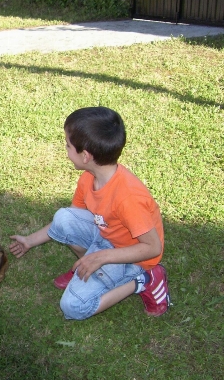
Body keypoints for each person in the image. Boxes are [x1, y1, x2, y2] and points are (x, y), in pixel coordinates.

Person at [9, 106, 171, 319]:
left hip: (133, 257)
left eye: (67, 145)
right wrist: (30, 240)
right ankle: (86, 269)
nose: (65, 150)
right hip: (106, 236)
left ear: (85, 155)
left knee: (73, 306)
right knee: (64, 218)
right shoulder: (89, 177)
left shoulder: (128, 197)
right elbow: (69, 221)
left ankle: (144, 281)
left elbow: (152, 248)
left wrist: (102, 257)